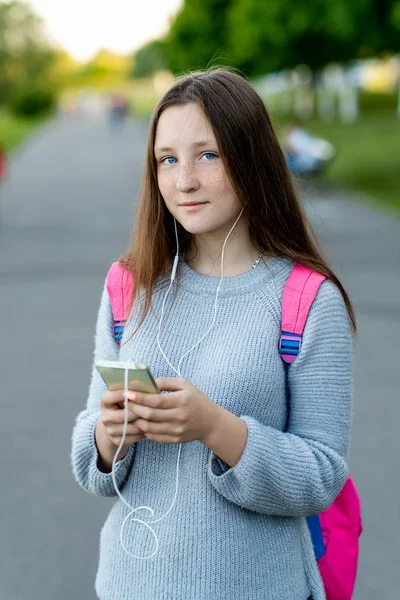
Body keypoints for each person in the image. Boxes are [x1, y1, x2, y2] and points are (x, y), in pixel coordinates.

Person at [71, 68, 355, 600]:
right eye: (168, 159)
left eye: (209, 155)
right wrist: (109, 435)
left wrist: (214, 427)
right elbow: (92, 467)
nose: (185, 182)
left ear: (251, 158)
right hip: (129, 585)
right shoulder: (129, 285)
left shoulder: (307, 300)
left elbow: (322, 476)